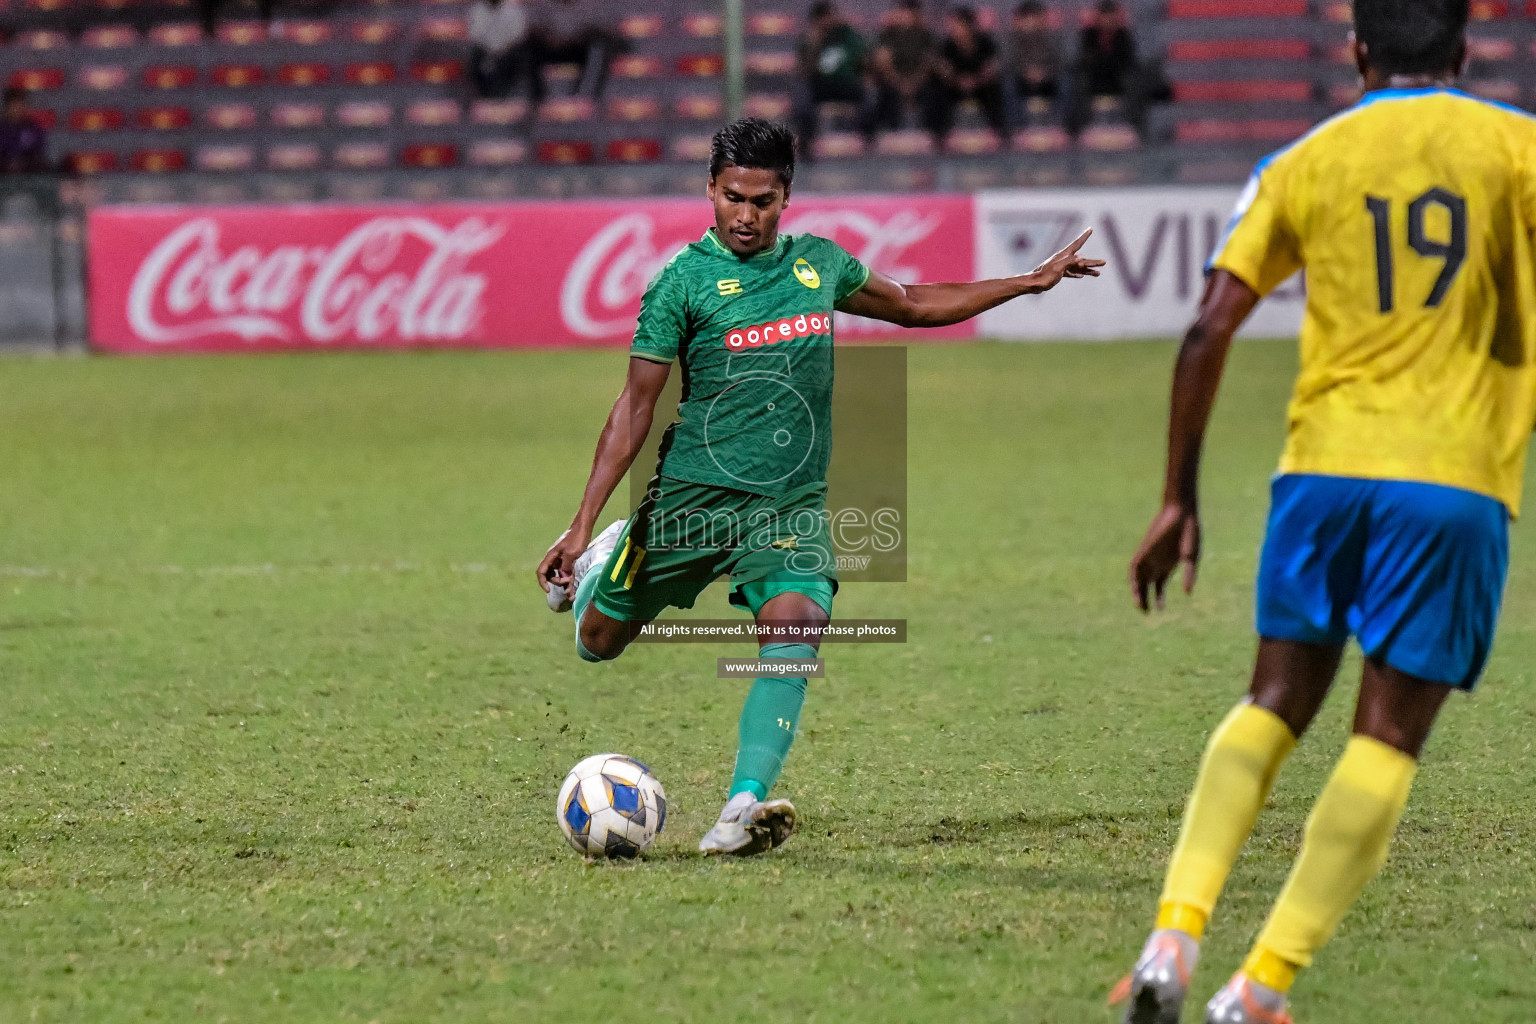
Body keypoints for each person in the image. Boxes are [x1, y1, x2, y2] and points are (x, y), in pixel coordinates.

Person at [1114, 1, 1536, 1021]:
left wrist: (1179, 495)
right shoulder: (1517, 149)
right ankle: (1259, 991)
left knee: (1273, 703)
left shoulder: (1303, 159)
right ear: (1464, 51)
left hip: (1322, 473)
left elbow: (1209, 328)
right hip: (1454, 479)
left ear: (1355, 52)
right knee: (1385, 735)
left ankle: (1172, 939)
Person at [537, 118, 1102, 857]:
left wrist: (1026, 283)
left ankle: (740, 808)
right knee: (598, 642)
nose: (746, 215)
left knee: (798, 623)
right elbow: (634, 408)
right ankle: (601, 563)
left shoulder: (819, 266)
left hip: (787, 504)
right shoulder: (681, 282)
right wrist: (582, 524)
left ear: (786, 197)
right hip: (689, 501)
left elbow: (914, 303)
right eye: (733, 197)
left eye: (763, 200)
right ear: (710, 189)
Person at [793, 2, 868, 156]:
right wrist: (815, 44)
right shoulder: (808, 40)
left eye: (830, 16)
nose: (828, 21)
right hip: (821, 86)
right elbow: (805, 73)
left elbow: (863, 61)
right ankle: (806, 148)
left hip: (847, 84)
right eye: (823, 18)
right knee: (802, 99)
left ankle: (867, 143)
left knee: (870, 97)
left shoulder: (847, 34)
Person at [869, 0, 945, 138]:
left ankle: (934, 136)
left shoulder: (925, 35)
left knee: (935, 94)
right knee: (883, 94)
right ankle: (885, 135)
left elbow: (928, 64)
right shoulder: (889, 34)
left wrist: (913, 84)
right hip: (895, 82)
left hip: (920, 82)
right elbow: (883, 63)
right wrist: (900, 84)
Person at [1068, 0, 1142, 135]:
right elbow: (1084, 60)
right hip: (1094, 77)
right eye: (1104, 17)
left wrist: (1105, 60)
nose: (1107, 21)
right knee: (1076, 82)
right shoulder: (1088, 35)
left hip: (1117, 78)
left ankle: (1133, 128)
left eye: (1110, 17)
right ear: (1098, 18)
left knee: (1134, 82)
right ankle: (1079, 130)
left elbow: (1128, 61)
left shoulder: (1123, 35)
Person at [935, 6, 1007, 139]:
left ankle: (1000, 133)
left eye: (956, 24)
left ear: (968, 25)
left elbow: (992, 67)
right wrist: (957, 81)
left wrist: (976, 80)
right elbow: (943, 70)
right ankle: (940, 135)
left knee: (995, 89)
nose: (952, 28)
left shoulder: (986, 43)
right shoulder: (947, 45)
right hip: (955, 86)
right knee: (937, 90)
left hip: (981, 85)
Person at [529, 0, 614, 101]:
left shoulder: (590, 6)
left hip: (578, 50)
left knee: (598, 48)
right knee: (528, 50)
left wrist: (576, 38)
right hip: (549, 49)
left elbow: (601, 29)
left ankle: (586, 96)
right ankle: (536, 98)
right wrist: (551, 38)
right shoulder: (541, 5)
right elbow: (532, 29)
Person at [468, 0, 535, 99]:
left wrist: (501, 52)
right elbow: (475, 35)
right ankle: (484, 96)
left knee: (517, 56)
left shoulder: (513, 9)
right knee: (475, 57)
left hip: (509, 51)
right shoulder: (477, 10)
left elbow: (519, 36)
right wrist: (490, 52)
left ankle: (507, 95)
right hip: (485, 52)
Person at [1009, 1, 1062, 106]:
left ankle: (1059, 121)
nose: (1033, 22)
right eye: (1029, 18)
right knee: (1008, 84)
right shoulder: (1011, 40)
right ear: (1021, 20)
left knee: (1065, 82)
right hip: (1021, 78)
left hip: (1047, 78)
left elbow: (1059, 63)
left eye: (1038, 18)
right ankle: (1016, 122)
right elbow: (1009, 63)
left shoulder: (1052, 38)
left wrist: (1045, 73)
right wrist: (1025, 72)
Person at [0, 87, 47, 174]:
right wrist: (7, 165)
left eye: (20, 105)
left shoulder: (34, 129)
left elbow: (39, 157)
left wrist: (23, 165)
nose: (17, 109)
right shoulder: (2, 129)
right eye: (14, 105)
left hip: (27, 178)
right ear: (7, 106)